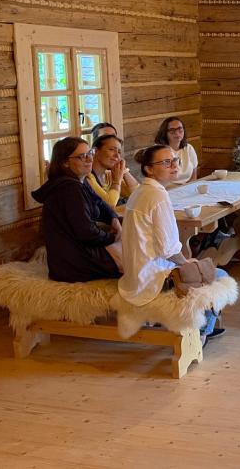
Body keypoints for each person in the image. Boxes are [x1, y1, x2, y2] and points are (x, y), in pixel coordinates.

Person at [119, 145, 225, 344]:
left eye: (175, 160)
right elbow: (168, 249)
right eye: (166, 162)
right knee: (219, 276)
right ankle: (199, 334)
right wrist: (187, 263)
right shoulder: (157, 196)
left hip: (136, 274)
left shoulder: (141, 191)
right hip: (153, 279)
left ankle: (199, 329)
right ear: (149, 169)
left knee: (200, 266)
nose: (174, 165)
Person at [30, 137, 122, 282]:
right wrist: (113, 237)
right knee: (136, 256)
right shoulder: (70, 189)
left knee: (132, 233)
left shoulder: (80, 181)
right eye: (82, 156)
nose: (89, 159)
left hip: (73, 256)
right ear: (65, 162)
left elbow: (99, 203)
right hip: (73, 263)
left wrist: (113, 218)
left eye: (90, 153)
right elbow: (87, 233)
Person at [86, 134, 139, 208]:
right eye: (111, 149)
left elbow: (137, 193)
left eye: (119, 152)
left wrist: (124, 171)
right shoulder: (87, 176)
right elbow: (109, 204)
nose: (117, 156)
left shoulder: (109, 175)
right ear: (96, 151)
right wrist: (116, 182)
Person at [154, 117, 198, 187]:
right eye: (172, 130)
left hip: (187, 187)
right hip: (167, 188)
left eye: (180, 129)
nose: (177, 133)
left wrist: (188, 188)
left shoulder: (189, 148)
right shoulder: (159, 151)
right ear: (165, 133)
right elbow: (158, 179)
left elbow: (194, 177)